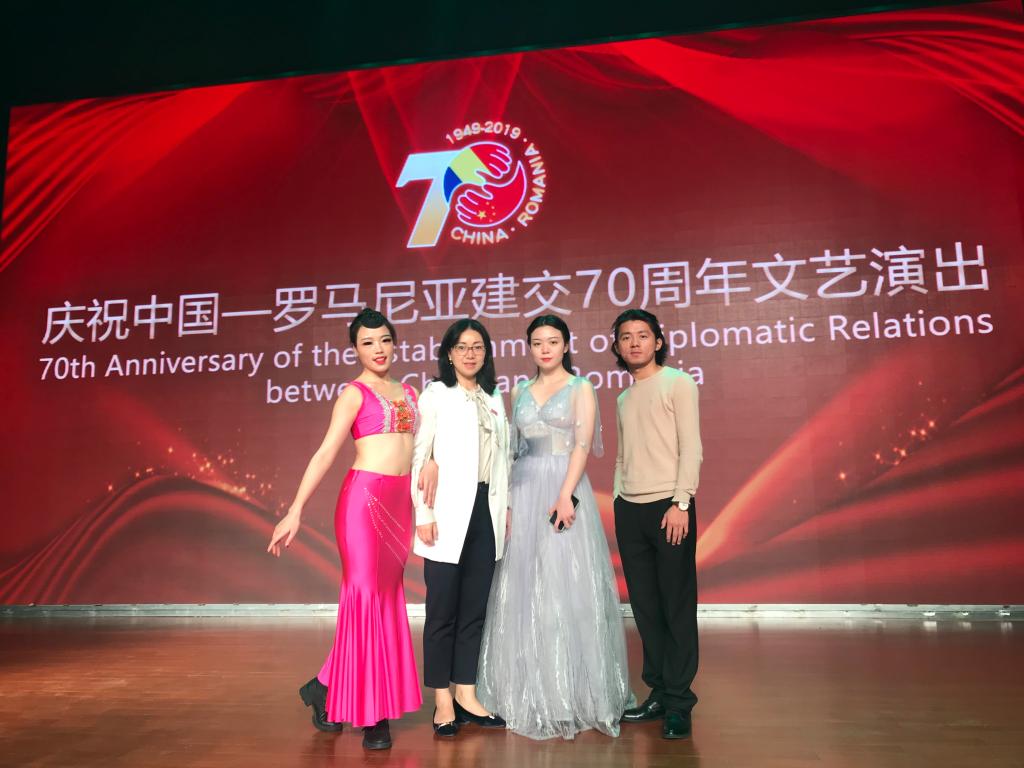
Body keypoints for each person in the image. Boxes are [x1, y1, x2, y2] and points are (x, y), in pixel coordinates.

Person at [266, 308, 422, 750]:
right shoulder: (353, 394)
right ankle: (373, 717)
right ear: (355, 349)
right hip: (363, 503)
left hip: (400, 506)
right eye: (368, 342)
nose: (379, 349)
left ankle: (323, 687)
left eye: (385, 339)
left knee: (384, 602)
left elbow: (422, 449)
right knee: (365, 600)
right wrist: (295, 510)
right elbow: (325, 452)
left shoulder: (411, 393)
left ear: (395, 343)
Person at [477, 315, 632, 740]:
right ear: (529, 347)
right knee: (525, 587)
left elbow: (582, 445)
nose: (545, 349)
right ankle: (528, 690)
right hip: (524, 490)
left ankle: (573, 694)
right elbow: (513, 449)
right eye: (537, 342)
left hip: (564, 487)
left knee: (567, 586)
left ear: (565, 345)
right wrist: (508, 502)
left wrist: (566, 494)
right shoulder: (518, 391)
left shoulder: (582, 387)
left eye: (553, 341)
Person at [411, 319, 511, 737]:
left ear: (486, 353)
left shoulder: (493, 397)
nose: (471, 354)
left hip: (487, 512)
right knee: (442, 613)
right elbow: (420, 456)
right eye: (462, 347)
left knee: (474, 611)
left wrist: (506, 508)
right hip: (447, 514)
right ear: (449, 354)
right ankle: (442, 700)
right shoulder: (436, 394)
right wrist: (423, 513)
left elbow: (503, 459)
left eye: (478, 347)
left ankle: (467, 694)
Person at [611, 308, 702, 740]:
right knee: (646, 608)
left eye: (642, 335)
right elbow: (622, 455)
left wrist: (682, 502)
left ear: (658, 342)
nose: (634, 343)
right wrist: (618, 498)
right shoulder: (623, 398)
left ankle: (680, 703)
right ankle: (660, 693)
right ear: (617, 346)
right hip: (630, 510)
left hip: (670, 507)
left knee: (676, 605)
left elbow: (691, 448)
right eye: (626, 337)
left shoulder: (678, 383)